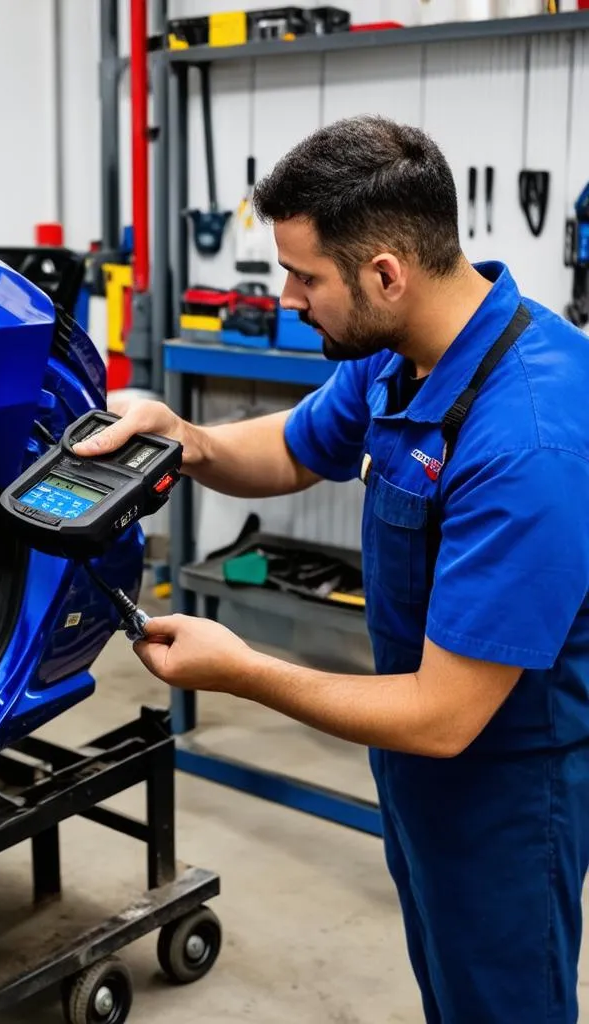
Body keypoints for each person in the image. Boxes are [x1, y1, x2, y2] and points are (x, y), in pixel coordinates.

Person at [73, 115, 589, 1023]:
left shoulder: (528, 441)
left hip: (505, 779)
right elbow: (290, 447)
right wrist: (182, 440)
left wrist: (243, 671)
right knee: (451, 983)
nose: (289, 295)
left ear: (385, 272)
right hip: (418, 751)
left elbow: (442, 717)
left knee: (504, 1002)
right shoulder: (401, 350)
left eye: (304, 276)